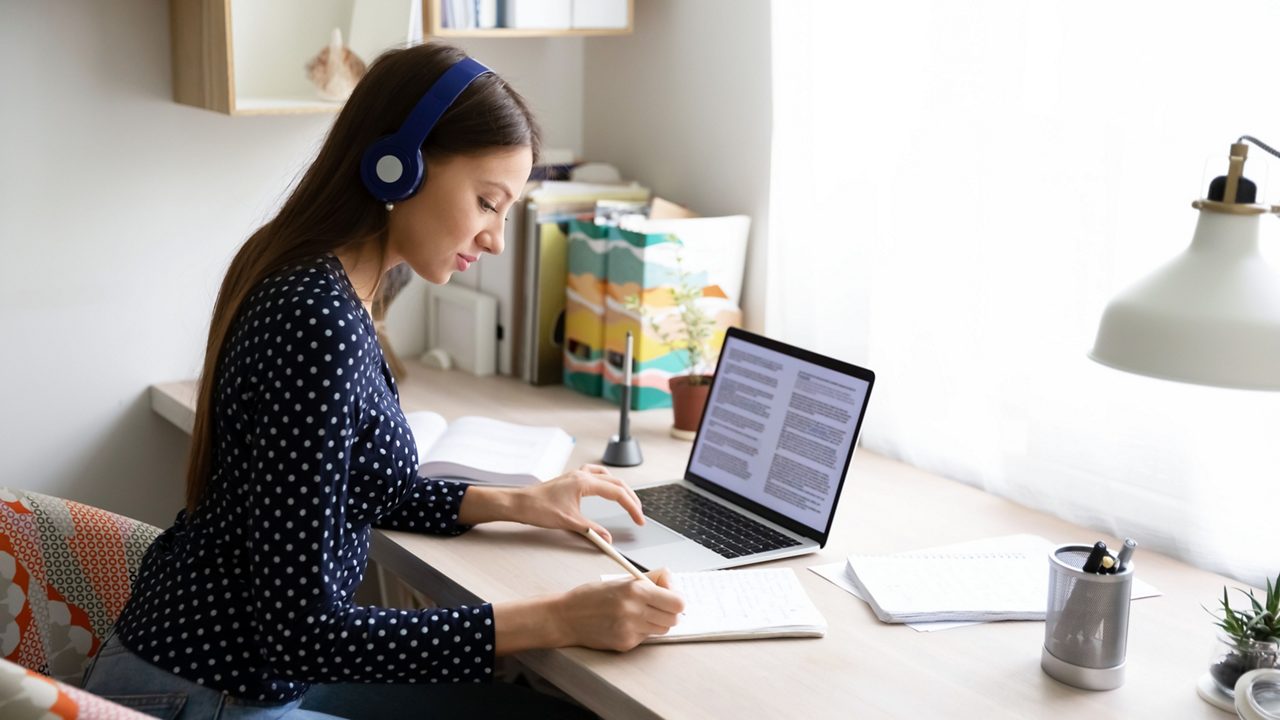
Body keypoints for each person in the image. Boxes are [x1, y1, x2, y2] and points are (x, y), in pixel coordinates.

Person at [82, 42, 685, 719]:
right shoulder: (318, 320)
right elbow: (303, 635)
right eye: (489, 202)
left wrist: (520, 503)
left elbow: (355, 491)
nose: (497, 240)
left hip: (226, 671)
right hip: (208, 694)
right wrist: (560, 619)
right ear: (398, 167)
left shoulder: (323, 277)